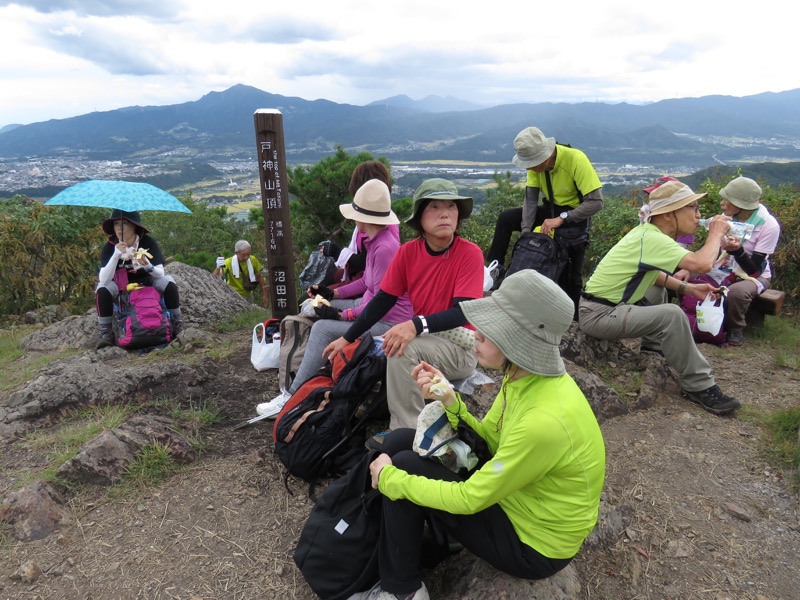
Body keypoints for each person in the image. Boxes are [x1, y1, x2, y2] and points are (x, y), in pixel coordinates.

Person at [348, 270, 606, 600]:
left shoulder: (544, 420)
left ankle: (402, 591)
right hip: (516, 499)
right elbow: (487, 445)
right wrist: (449, 399)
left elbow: (471, 498)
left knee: (402, 470)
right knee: (401, 441)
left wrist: (389, 479)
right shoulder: (523, 378)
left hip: (533, 544)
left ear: (518, 342)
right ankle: (445, 536)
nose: (476, 338)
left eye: (486, 335)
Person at [323, 178, 485, 442]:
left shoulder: (469, 254)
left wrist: (415, 325)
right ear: (419, 218)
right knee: (382, 346)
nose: (445, 213)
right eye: (434, 206)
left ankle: (406, 433)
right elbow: (382, 301)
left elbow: (463, 312)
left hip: (460, 348)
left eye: (451, 207)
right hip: (426, 340)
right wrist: (347, 337)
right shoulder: (408, 253)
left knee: (402, 348)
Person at [579, 180, 741, 416]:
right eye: (692, 208)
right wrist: (716, 233)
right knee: (672, 315)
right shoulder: (651, 238)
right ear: (667, 215)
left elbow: (652, 276)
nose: (698, 215)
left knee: (658, 291)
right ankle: (699, 386)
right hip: (599, 315)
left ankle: (652, 350)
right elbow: (702, 264)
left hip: (603, 307)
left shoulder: (648, 233)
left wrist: (689, 289)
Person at [255, 179, 412, 418]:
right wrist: (332, 294)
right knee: (312, 309)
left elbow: (380, 301)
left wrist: (341, 315)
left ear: (365, 218)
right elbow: (366, 284)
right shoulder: (376, 241)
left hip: (389, 321)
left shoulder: (385, 249)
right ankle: (314, 380)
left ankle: (292, 398)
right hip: (371, 307)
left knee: (322, 328)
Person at [486, 126, 603, 316]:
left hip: (574, 216)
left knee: (572, 275)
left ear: (545, 156)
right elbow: (530, 201)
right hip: (549, 210)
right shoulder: (535, 167)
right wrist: (526, 234)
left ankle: (573, 318)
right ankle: (494, 271)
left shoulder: (575, 159)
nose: (529, 167)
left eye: (532, 162)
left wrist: (562, 219)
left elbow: (596, 202)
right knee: (506, 218)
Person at [676, 176, 780, 346]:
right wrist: (689, 267)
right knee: (684, 276)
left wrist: (737, 251)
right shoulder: (729, 217)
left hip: (754, 275)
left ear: (741, 205)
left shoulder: (769, 226)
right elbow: (713, 247)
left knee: (737, 292)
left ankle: (735, 328)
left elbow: (754, 270)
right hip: (723, 266)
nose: (722, 203)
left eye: (728, 200)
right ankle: (689, 318)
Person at [95, 209, 182, 349]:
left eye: (124, 223)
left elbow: (160, 273)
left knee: (169, 283)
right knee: (102, 290)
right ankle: (105, 332)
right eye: (116, 223)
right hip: (119, 283)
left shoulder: (147, 242)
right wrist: (116, 255)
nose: (119, 228)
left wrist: (147, 265)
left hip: (147, 279)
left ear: (134, 226)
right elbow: (104, 279)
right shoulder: (110, 246)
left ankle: (177, 323)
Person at [324, 160, 401, 287]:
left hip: (367, 290)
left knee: (313, 300)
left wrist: (336, 251)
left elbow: (377, 294)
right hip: (363, 283)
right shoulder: (377, 231)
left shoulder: (383, 242)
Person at [213, 240, 268, 305]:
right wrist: (218, 267)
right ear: (236, 253)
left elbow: (260, 277)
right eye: (243, 255)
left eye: (248, 254)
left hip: (248, 295)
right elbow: (215, 278)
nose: (246, 257)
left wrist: (265, 295)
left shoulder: (252, 260)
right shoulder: (228, 262)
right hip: (233, 295)